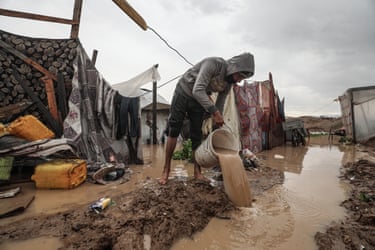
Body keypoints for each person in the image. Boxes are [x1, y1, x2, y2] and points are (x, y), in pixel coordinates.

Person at [159, 52, 255, 185]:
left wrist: (217, 121)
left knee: (196, 135)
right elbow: (197, 90)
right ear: (234, 68)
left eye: (242, 78)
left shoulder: (228, 83)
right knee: (174, 129)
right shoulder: (214, 64)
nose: (239, 80)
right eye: (239, 76)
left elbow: (220, 102)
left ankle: (197, 172)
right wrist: (214, 112)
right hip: (184, 91)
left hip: (199, 99)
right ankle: (166, 169)